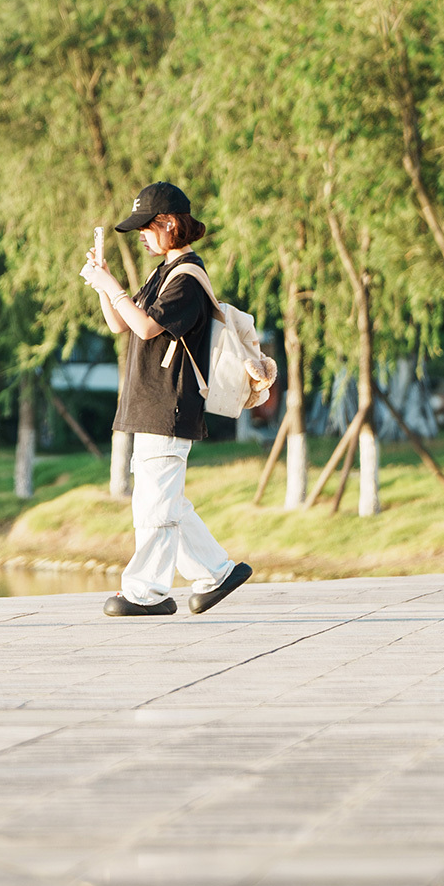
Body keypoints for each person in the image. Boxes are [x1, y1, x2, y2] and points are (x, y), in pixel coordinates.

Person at [79, 182, 256, 617]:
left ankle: (146, 592)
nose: (140, 235)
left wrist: (112, 284)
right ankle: (217, 572)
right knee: (165, 502)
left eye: (145, 226)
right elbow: (122, 323)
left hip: (169, 405)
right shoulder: (163, 273)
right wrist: (103, 285)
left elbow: (146, 328)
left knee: (155, 504)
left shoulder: (188, 279)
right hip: (150, 405)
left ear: (170, 223)